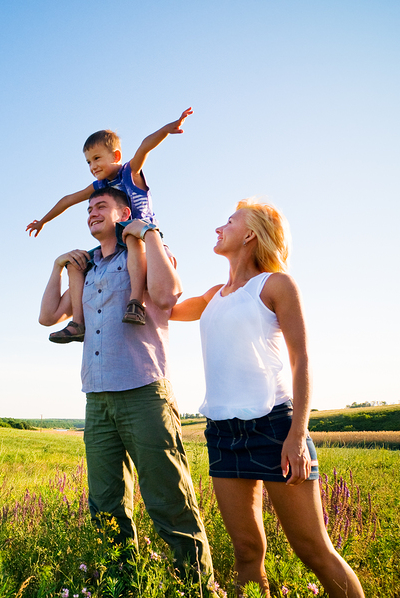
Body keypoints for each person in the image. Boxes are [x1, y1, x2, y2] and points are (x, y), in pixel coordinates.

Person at [164, 199, 365, 597]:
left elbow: (301, 360)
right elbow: (164, 307)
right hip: (222, 433)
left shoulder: (275, 285)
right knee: (246, 551)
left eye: (229, 222)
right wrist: (156, 253)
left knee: (313, 549)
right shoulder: (213, 296)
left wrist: (297, 435)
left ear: (250, 235)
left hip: (274, 428)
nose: (219, 228)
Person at [38, 186, 215, 591]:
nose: (91, 213)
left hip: (144, 391)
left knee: (169, 499)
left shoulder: (144, 251)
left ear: (123, 213)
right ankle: (122, 585)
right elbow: (47, 316)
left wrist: (149, 233)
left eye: (100, 206)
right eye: (88, 209)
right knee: (105, 506)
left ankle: (198, 588)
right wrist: (58, 266)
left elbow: (168, 296)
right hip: (97, 397)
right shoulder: (87, 269)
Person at [28, 107, 194, 343]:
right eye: (88, 162)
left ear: (116, 156)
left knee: (131, 236)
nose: (92, 166)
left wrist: (167, 129)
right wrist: (43, 221)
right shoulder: (100, 186)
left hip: (141, 234)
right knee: (76, 264)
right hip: (117, 241)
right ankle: (78, 323)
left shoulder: (129, 172)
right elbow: (68, 199)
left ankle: (135, 302)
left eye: (97, 158)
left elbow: (144, 147)